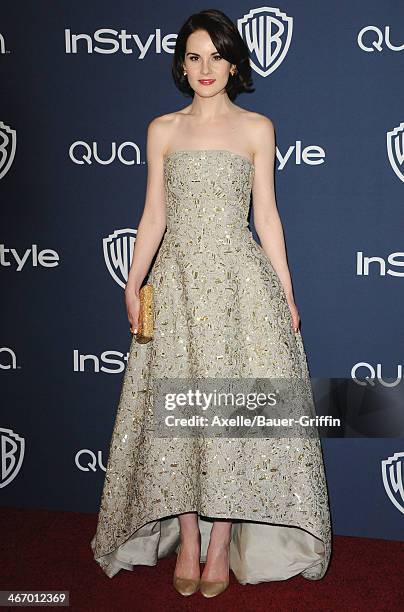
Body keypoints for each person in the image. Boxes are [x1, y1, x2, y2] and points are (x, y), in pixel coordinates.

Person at [90, 8, 332, 599]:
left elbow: (267, 216)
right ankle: (189, 538)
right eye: (195, 56)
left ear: (234, 63)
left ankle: (221, 541)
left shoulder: (257, 128)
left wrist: (286, 291)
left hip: (239, 285)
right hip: (175, 285)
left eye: (217, 56)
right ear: (181, 63)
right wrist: (132, 279)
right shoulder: (163, 129)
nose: (206, 68)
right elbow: (154, 214)